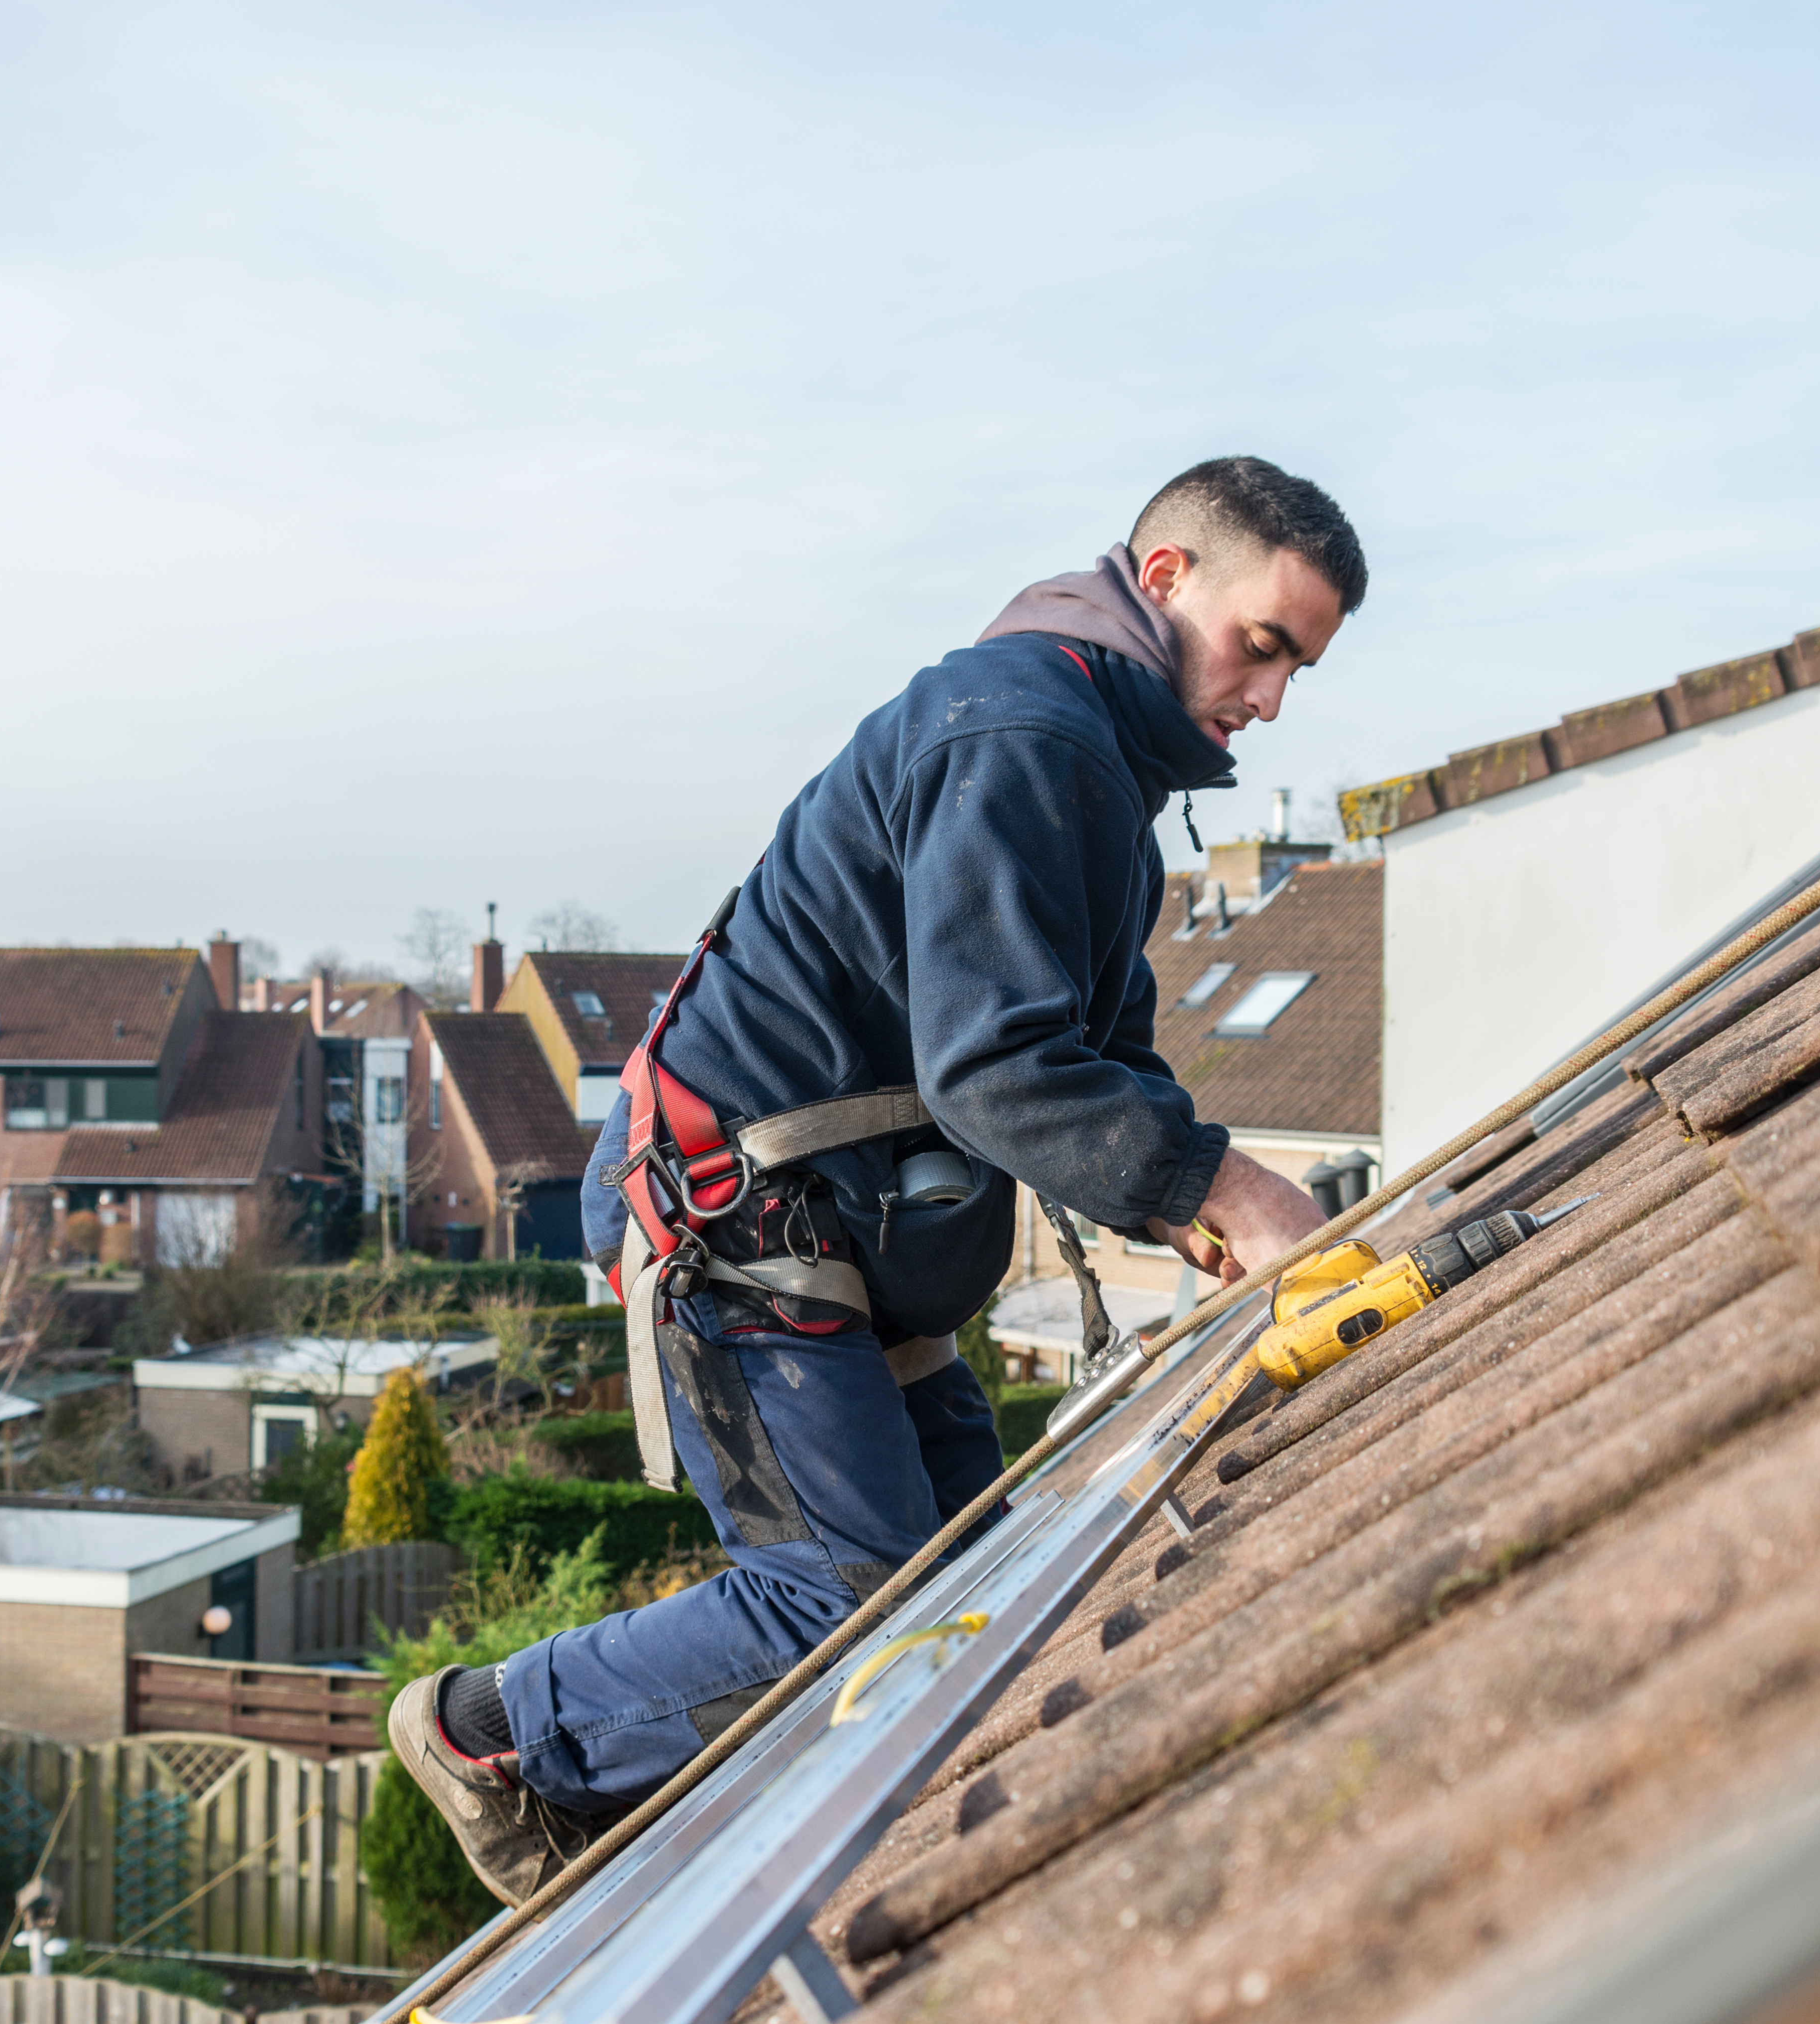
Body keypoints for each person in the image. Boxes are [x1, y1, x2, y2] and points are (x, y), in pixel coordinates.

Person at [388, 456, 1368, 1902]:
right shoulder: (1024, 737)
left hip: (853, 1225)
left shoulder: (1092, 766)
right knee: (861, 1607)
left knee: (980, 1594)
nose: (1272, 698)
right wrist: (1221, 1191)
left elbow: (1095, 1054)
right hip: (740, 1217)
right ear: (1165, 579)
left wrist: (1177, 1190)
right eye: (1263, 645)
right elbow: (996, 1068)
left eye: (1301, 667)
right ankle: (494, 1734)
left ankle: (800, 1841)